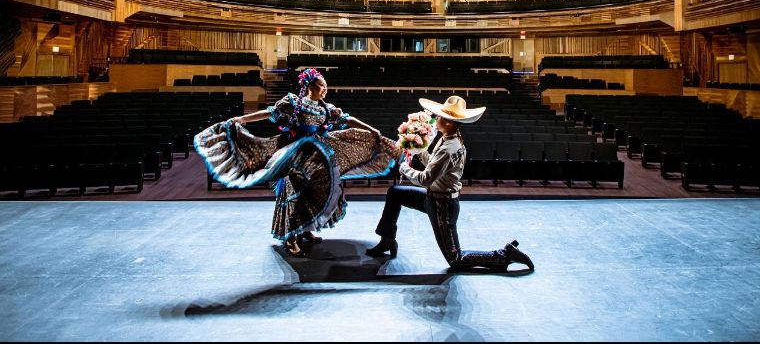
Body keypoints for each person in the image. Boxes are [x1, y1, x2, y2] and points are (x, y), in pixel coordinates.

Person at [194, 68, 401, 257]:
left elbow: (347, 119)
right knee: (296, 193)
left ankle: (306, 229)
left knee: (316, 190)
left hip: (319, 155)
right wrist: (242, 119)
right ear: (310, 86)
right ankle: (291, 238)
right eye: (322, 86)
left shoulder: (326, 109)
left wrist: (371, 129)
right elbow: (269, 113)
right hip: (296, 154)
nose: (325, 90)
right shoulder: (294, 103)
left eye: (326, 87)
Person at [367, 95, 535, 272]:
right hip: (433, 198)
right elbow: (435, 164)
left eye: (438, 116)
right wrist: (417, 150)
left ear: (448, 122)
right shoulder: (450, 138)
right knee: (395, 193)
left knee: (455, 258)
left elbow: (426, 179)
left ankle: (504, 255)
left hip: (443, 205)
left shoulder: (449, 147)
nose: (435, 119)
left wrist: (403, 167)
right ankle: (387, 240)